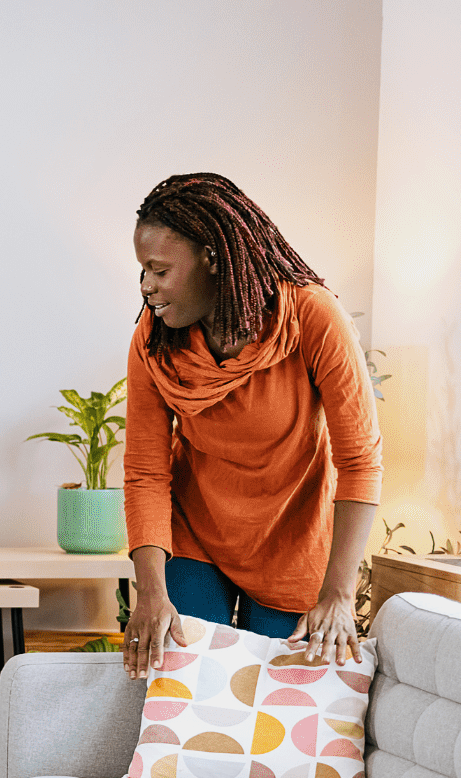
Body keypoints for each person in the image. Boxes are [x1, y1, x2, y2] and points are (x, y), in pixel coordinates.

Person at [120, 171, 381, 680]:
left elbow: (359, 462)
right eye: (142, 272)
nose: (147, 287)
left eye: (159, 270)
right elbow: (145, 474)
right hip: (196, 535)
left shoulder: (312, 317)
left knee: (276, 698)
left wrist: (338, 594)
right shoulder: (153, 342)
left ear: (212, 259)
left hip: (292, 541)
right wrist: (150, 594)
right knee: (188, 680)